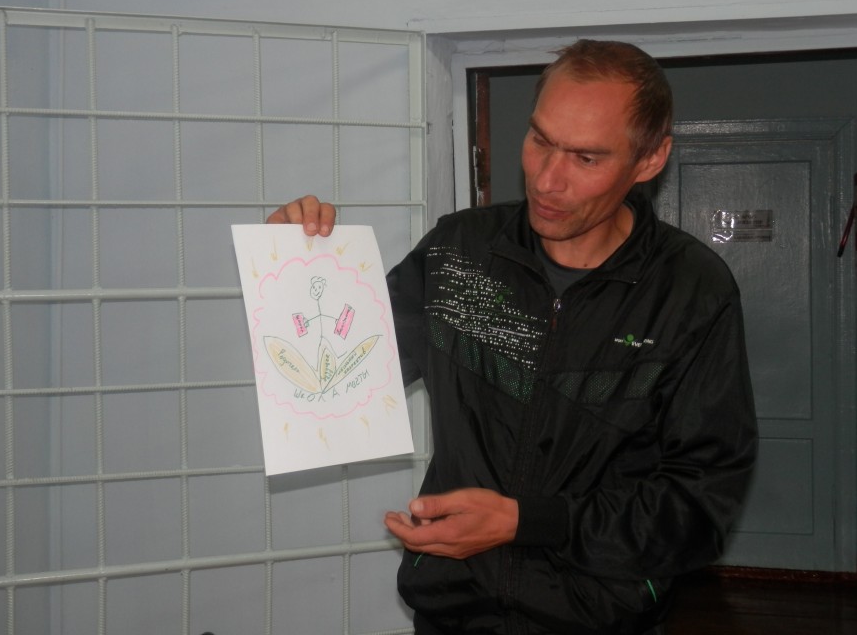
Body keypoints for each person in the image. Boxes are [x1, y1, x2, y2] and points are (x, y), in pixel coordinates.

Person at [268, 40, 757, 634]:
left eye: (586, 158)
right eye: (540, 140)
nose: (547, 180)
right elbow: (340, 376)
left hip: (599, 618)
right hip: (453, 611)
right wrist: (295, 266)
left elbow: (700, 508)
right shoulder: (458, 252)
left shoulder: (691, 291)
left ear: (650, 160)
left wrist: (527, 522)